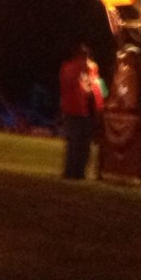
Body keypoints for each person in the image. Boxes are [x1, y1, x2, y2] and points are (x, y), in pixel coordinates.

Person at [59, 42, 106, 180]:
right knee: (75, 142)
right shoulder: (70, 68)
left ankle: (78, 172)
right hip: (74, 111)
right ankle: (71, 172)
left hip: (86, 111)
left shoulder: (88, 71)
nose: (87, 59)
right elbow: (87, 87)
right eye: (84, 55)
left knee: (84, 144)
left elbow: (100, 90)